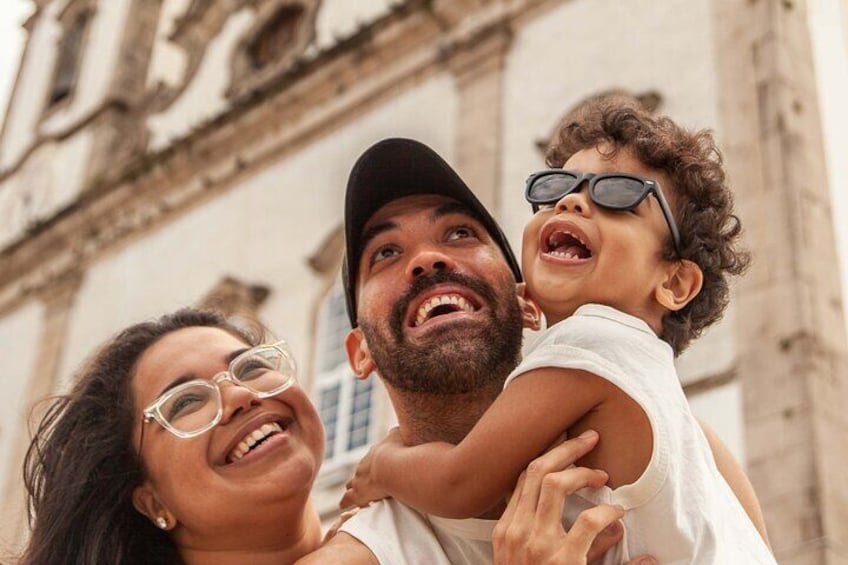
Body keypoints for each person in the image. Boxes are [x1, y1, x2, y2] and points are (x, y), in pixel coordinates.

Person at [342, 100, 777, 563]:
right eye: (555, 189)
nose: (572, 200)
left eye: (618, 194)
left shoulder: (589, 343)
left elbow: (457, 482)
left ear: (674, 282)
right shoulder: (673, 419)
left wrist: (383, 465)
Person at [21, 308, 625, 564]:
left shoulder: (415, 526)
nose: (240, 394)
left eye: (252, 367)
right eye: (185, 402)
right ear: (151, 500)